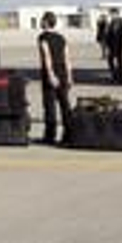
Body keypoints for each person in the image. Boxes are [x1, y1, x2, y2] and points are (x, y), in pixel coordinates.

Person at [36, 11, 73, 145]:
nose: (40, 22)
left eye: (42, 20)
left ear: (46, 22)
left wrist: (51, 74)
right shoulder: (62, 38)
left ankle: (50, 136)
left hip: (51, 74)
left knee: (49, 105)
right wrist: (69, 76)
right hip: (63, 73)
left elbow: (47, 56)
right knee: (65, 105)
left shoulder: (43, 37)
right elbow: (67, 57)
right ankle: (68, 134)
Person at [105, 12, 122, 84]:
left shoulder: (117, 23)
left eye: (113, 14)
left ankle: (116, 76)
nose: (112, 16)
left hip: (115, 45)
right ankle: (118, 76)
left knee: (114, 61)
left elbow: (115, 34)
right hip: (116, 45)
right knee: (118, 61)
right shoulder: (116, 22)